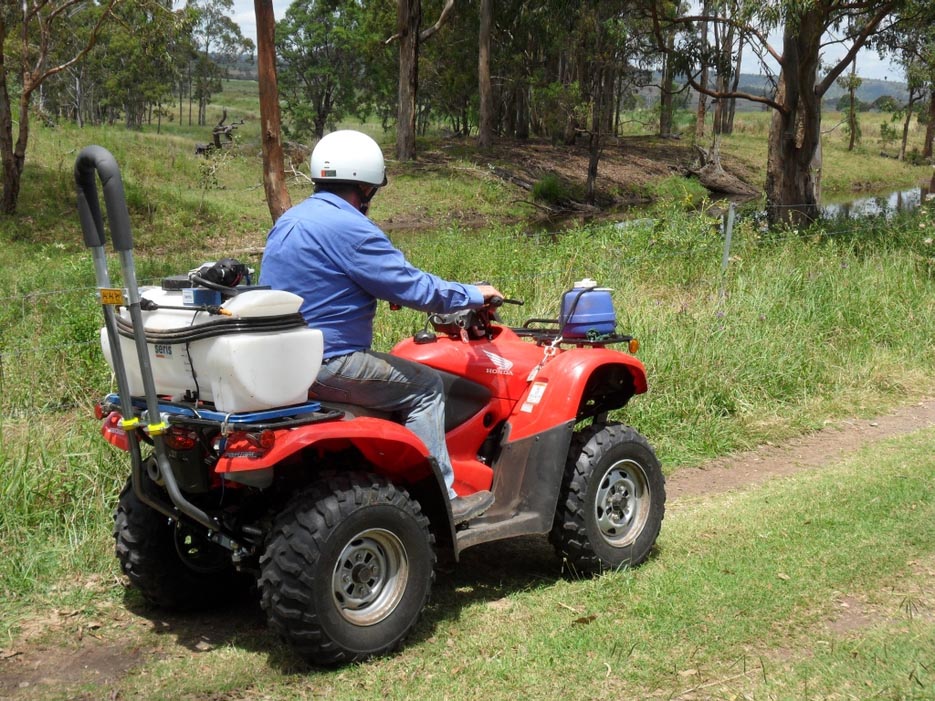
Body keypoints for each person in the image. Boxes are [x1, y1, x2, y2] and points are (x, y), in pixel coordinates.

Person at [259, 129, 501, 525]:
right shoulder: (351, 227)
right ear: (365, 186)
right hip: (328, 364)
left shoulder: (291, 220)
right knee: (426, 388)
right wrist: (474, 294)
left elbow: (316, 281)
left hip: (282, 361)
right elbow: (419, 289)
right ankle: (443, 499)